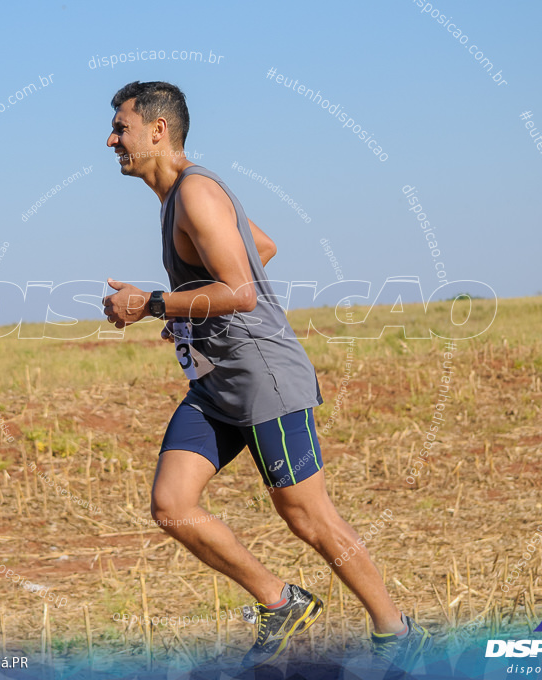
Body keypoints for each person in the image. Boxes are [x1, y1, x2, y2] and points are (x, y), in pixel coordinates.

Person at [101, 80, 431, 670]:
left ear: (159, 130)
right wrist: (187, 313)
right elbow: (263, 246)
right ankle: (281, 602)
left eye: (120, 127)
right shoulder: (176, 198)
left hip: (263, 379)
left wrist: (155, 303)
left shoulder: (196, 194)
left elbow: (243, 290)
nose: (111, 140)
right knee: (172, 503)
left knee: (307, 516)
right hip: (217, 385)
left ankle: (397, 631)